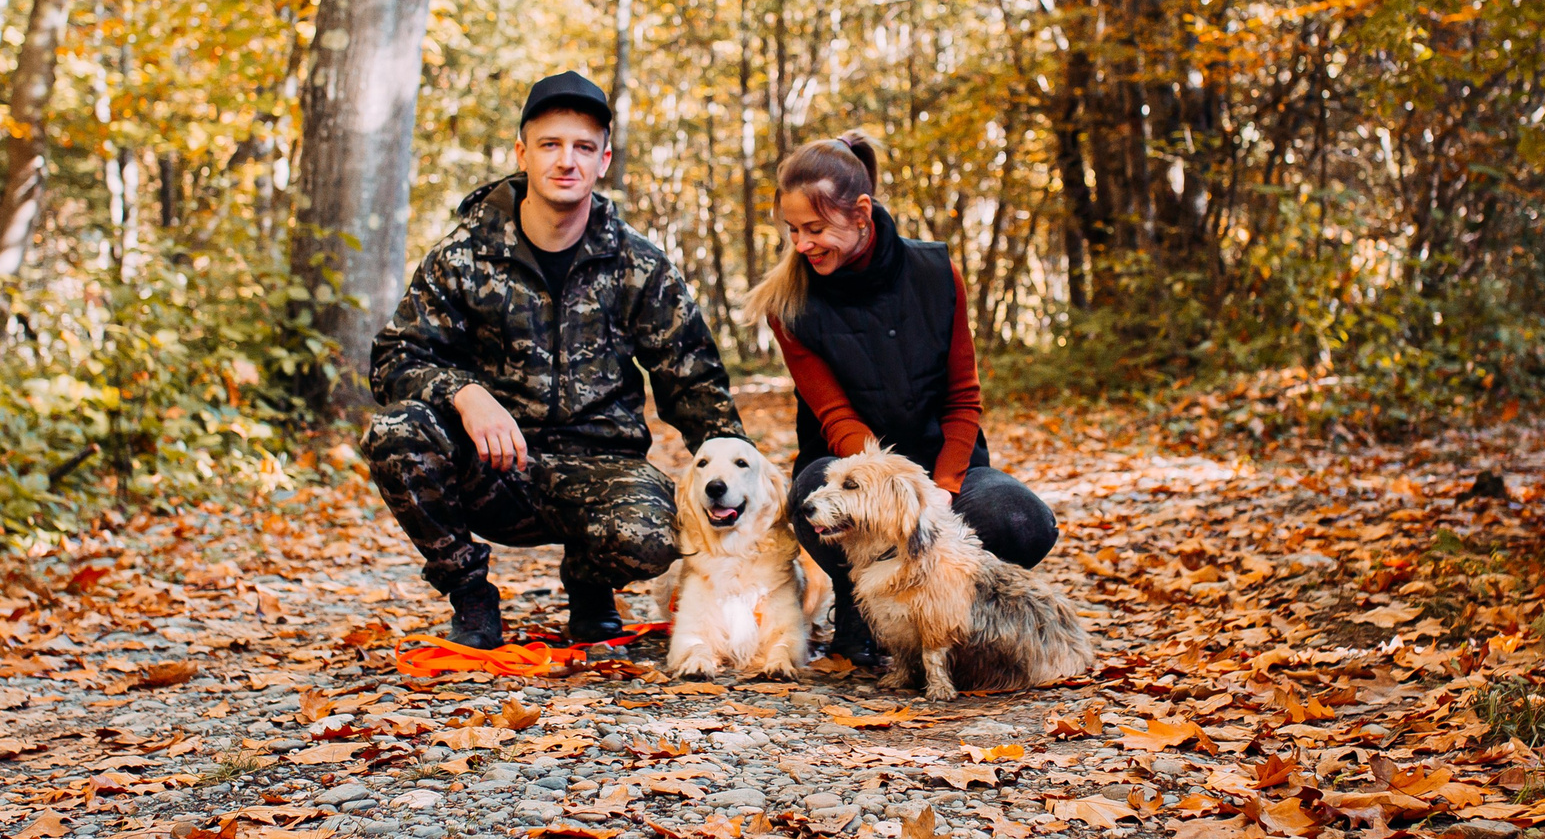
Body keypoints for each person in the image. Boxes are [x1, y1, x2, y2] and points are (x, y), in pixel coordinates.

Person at [364, 72, 747, 650]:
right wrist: (467, 395)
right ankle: (470, 591)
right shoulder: (464, 254)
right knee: (396, 432)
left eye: (583, 147)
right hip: (496, 469)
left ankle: (590, 584)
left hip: (602, 468)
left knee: (650, 533)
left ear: (603, 160)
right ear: (522, 153)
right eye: (550, 144)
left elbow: (693, 381)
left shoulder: (638, 264)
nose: (566, 161)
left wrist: (738, 481)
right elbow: (395, 358)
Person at [740, 133, 1058, 667]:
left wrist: (941, 489)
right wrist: (886, 491)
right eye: (793, 231)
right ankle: (859, 604)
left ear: (861, 213)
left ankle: (954, 610)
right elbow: (835, 416)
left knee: (1020, 519)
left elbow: (962, 399)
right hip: (850, 468)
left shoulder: (936, 274)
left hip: (946, 470)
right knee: (811, 499)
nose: (801, 244)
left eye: (815, 229)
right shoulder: (788, 305)